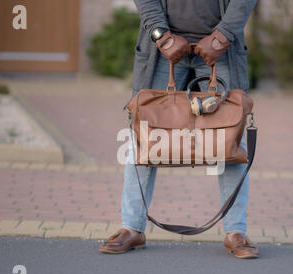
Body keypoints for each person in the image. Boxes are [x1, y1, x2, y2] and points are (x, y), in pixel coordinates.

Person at [99, 0, 259, 259]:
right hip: (161, 51)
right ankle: (132, 227)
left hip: (222, 49)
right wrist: (161, 36)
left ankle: (236, 231)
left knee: (229, 140)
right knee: (144, 136)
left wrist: (223, 36)